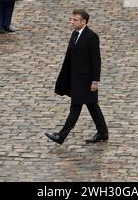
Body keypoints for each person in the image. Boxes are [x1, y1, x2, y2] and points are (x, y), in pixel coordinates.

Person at [45, 9, 108, 145]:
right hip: (76, 79)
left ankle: (61, 136)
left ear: (84, 22)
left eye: (75, 20)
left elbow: (96, 60)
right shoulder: (74, 34)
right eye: (71, 19)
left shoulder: (91, 37)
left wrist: (95, 81)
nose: (72, 22)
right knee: (92, 106)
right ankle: (103, 132)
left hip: (86, 80)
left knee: (75, 108)